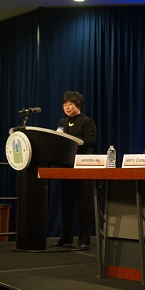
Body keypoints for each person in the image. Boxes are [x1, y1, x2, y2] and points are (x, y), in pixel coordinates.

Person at [53, 91, 97, 250]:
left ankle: (84, 239)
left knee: (84, 204)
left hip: (82, 166)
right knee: (66, 203)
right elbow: (57, 139)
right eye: (64, 105)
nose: (67, 107)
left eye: (70, 104)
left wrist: (73, 142)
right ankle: (66, 237)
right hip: (66, 166)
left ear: (78, 105)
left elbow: (91, 141)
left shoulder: (87, 121)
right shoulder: (62, 122)